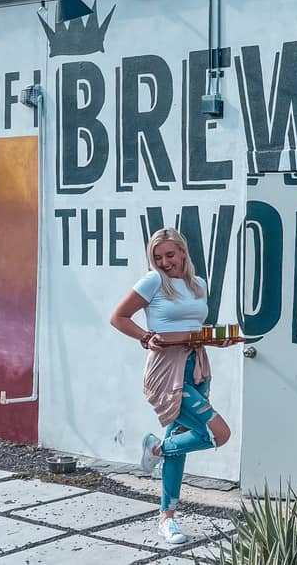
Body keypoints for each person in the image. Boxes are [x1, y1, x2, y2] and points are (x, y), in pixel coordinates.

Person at [110, 227, 235, 545]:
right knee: (218, 433)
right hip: (166, 371)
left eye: (169, 254)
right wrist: (145, 336)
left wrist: (217, 340)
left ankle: (167, 519)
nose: (164, 262)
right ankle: (155, 449)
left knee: (179, 448)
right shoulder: (152, 282)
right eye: (157, 257)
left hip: (196, 368)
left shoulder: (199, 285)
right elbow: (119, 317)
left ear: (183, 252)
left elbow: (192, 326)